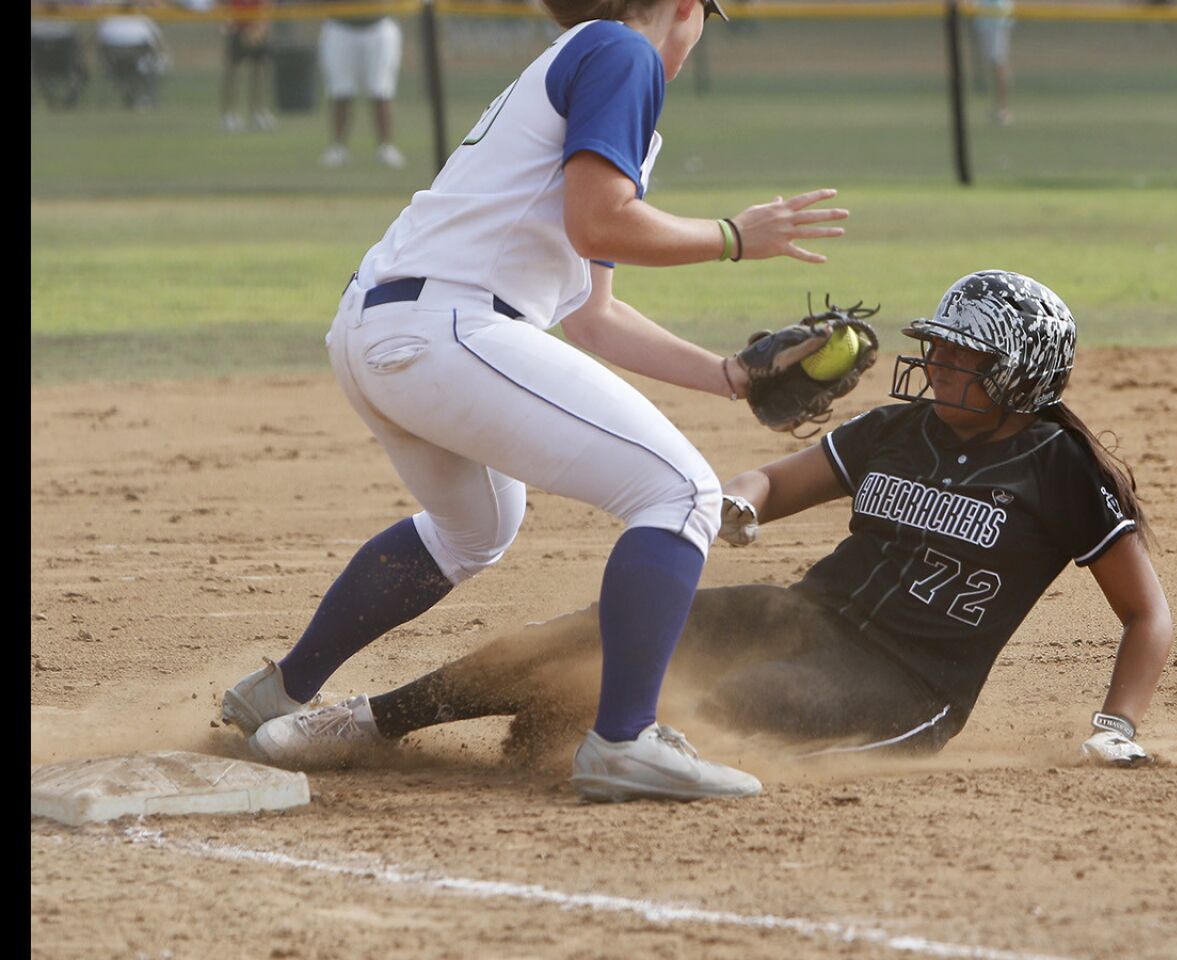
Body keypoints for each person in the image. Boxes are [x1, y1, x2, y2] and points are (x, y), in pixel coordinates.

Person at [219, 0, 850, 805]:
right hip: (449, 327)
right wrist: (733, 235)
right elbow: (599, 223)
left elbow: (593, 312)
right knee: (680, 492)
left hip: (383, 329)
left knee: (478, 525)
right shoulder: (624, 55)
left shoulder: (589, 61)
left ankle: (280, 690)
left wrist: (733, 376)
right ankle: (625, 740)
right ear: (685, 9)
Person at [245, 270, 1174, 785]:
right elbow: (774, 483)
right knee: (577, 639)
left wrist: (1117, 725)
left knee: (718, 709)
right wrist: (733, 502)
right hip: (798, 612)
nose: (935, 368)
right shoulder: (902, 429)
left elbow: (1145, 615)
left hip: (905, 688)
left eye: (962, 358)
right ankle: (371, 720)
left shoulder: (1063, 473)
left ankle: (575, 738)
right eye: (935, 350)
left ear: (1022, 373)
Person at [318, 1, 406, 168]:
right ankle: (338, 147)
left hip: (379, 25)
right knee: (340, 91)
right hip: (340, 26)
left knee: (382, 91)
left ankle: (385, 147)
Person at [96, 6, 169, 111]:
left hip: (115, 61)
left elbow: (99, 42)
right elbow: (157, 43)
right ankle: (146, 98)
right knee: (153, 65)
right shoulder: (142, 18)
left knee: (144, 66)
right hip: (133, 60)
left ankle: (134, 95)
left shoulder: (108, 17)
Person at [220, 0, 276, 132]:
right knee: (232, 74)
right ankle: (229, 115)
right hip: (236, 31)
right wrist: (232, 27)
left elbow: (265, 7)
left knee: (259, 72)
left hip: (256, 31)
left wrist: (259, 29)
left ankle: (258, 113)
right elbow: (225, 9)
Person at [971, 0, 1015, 125]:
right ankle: (999, 106)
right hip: (986, 17)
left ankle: (1004, 109)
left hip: (996, 17)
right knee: (994, 63)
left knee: (998, 62)